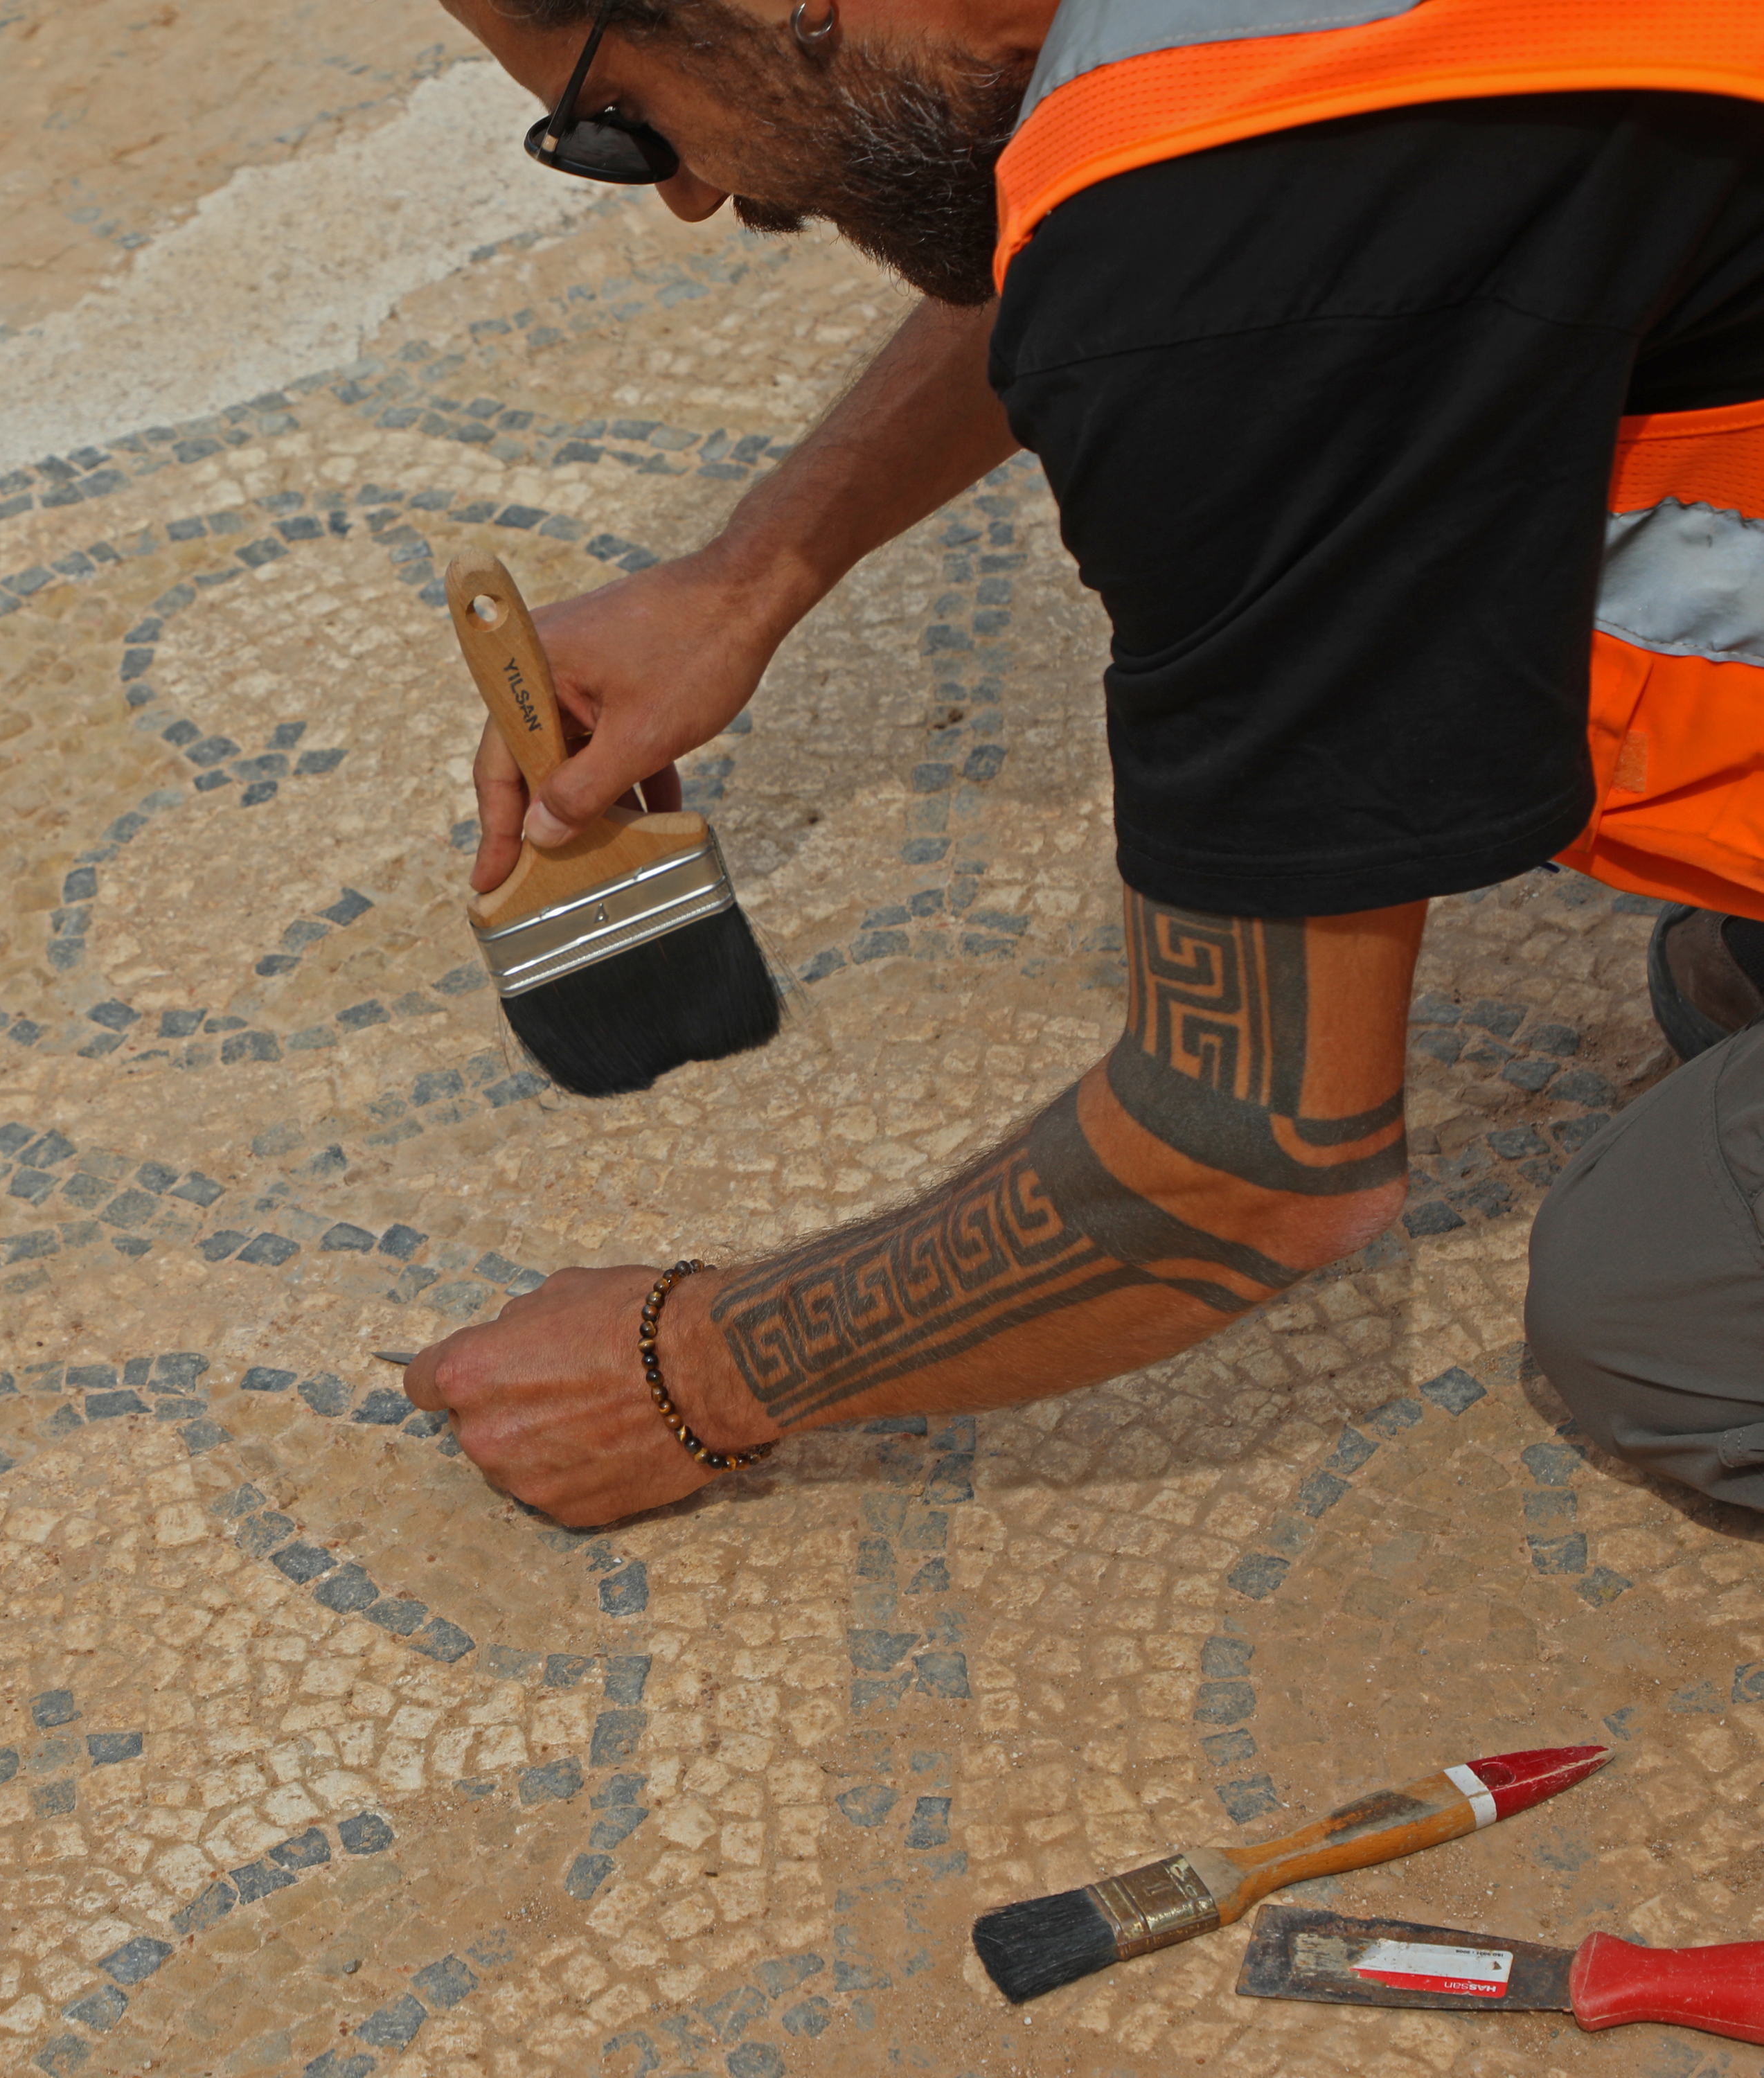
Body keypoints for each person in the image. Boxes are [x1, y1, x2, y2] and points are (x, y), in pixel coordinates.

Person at [398, 0, 1764, 1523]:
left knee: (1664, 1311)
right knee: (1710, 987)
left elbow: (1249, 1165)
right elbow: (1177, 190)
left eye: (619, 126)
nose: (688, 192)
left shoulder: (1217, 283)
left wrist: (689, 1375)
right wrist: (752, 573)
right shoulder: (1226, 100)